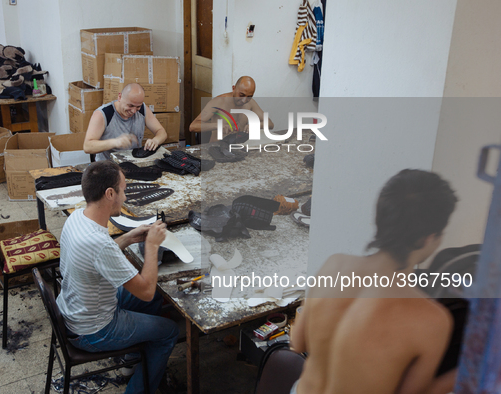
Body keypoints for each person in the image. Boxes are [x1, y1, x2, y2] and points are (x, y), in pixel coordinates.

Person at [290, 169, 459, 394]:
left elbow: (298, 343)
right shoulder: (431, 319)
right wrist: (469, 369)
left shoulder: (335, 266)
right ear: (428, 238)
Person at [56, 160, 179, 394]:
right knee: (169, 330)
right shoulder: (99, 243)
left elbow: (97, 256)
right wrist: (152, 246)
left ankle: (132, 361)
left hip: (76, 312)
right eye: (123, 190)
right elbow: (145, 289)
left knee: (150, 302)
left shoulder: (77, 219)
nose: (124, 197)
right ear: (110, 193)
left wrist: (129, 238)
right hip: (94, 331)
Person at [83, 83, 169, 162]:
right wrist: (115, 142)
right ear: (119, 97)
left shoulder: (143, 109)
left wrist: (155, 140)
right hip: (109, 168)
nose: (134, 111)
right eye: (130, 106)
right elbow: (87, 146)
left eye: (138, 106)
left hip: (133, 163)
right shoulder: (103, 114)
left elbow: (161, 131)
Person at [189, 76, 274, 142]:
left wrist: (255, 125)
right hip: (216, 148)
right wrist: (217, 126)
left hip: (238, 147)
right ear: (234, 88)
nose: (244, 100)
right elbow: (193, 126)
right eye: (241, 95)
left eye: (249, 97)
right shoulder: (218, 102)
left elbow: (270, 124)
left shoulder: (250, 103)